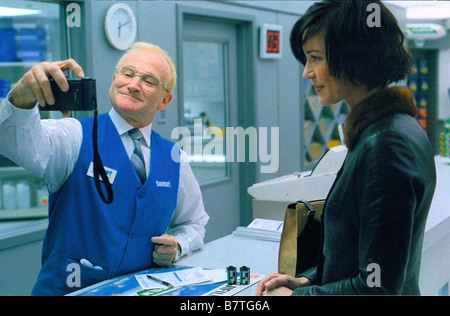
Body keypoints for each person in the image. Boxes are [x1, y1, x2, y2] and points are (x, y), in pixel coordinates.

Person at [256, 0, 436, 296]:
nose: (307, 72)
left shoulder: (385, 145)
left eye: (315, 58)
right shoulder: (389, 128)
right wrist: (308, 280)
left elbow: (377, 286)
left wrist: (295, 296)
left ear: (354, 56)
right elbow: (360, 257)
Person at [0, 42, 209, 295]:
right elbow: (16, 143)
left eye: (149, 81)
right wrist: (21, 98)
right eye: (128, 73)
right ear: (114, 79)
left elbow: (194, 224)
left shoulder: (176, 158)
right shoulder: (73, 136)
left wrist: (178, 245)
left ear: (164, 100)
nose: (133, 84)